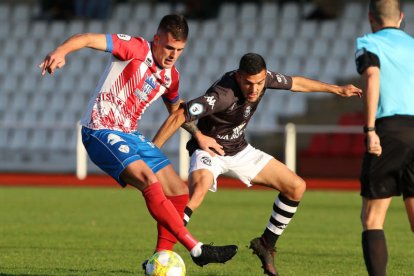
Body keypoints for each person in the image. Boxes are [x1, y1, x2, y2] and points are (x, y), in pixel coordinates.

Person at [38, 14, 237, 268]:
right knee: (148, 180)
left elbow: (177, 110)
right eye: (168, 47)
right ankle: (196, 249)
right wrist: (61, 51)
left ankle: (159, 259)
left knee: (178, 191)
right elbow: (86, 38)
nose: (173, 54)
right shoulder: (134, 48)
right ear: (156, 40)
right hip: (100, 130)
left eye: (179, 50)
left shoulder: (171, 77)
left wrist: (198, 135)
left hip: (130, 135)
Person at [151, 52, 362, 276]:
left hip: (240, 150)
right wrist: (155, 150)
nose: (255, 89)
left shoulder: (264, 79)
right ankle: (162, 254)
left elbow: (297, 83)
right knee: (198, 191)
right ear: (239, 77)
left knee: (296, 186)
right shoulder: (222, 95)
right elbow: (181, 113)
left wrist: (337, 89)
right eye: (249, 84)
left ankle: (266, 244)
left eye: (260, 83)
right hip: (209, 150)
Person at [354, 1, 414, 275]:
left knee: (372, 218)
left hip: (390, 130)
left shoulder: (369, 42)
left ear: (370, 18)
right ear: (401, 17)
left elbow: (372, 76)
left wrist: (369, 129)